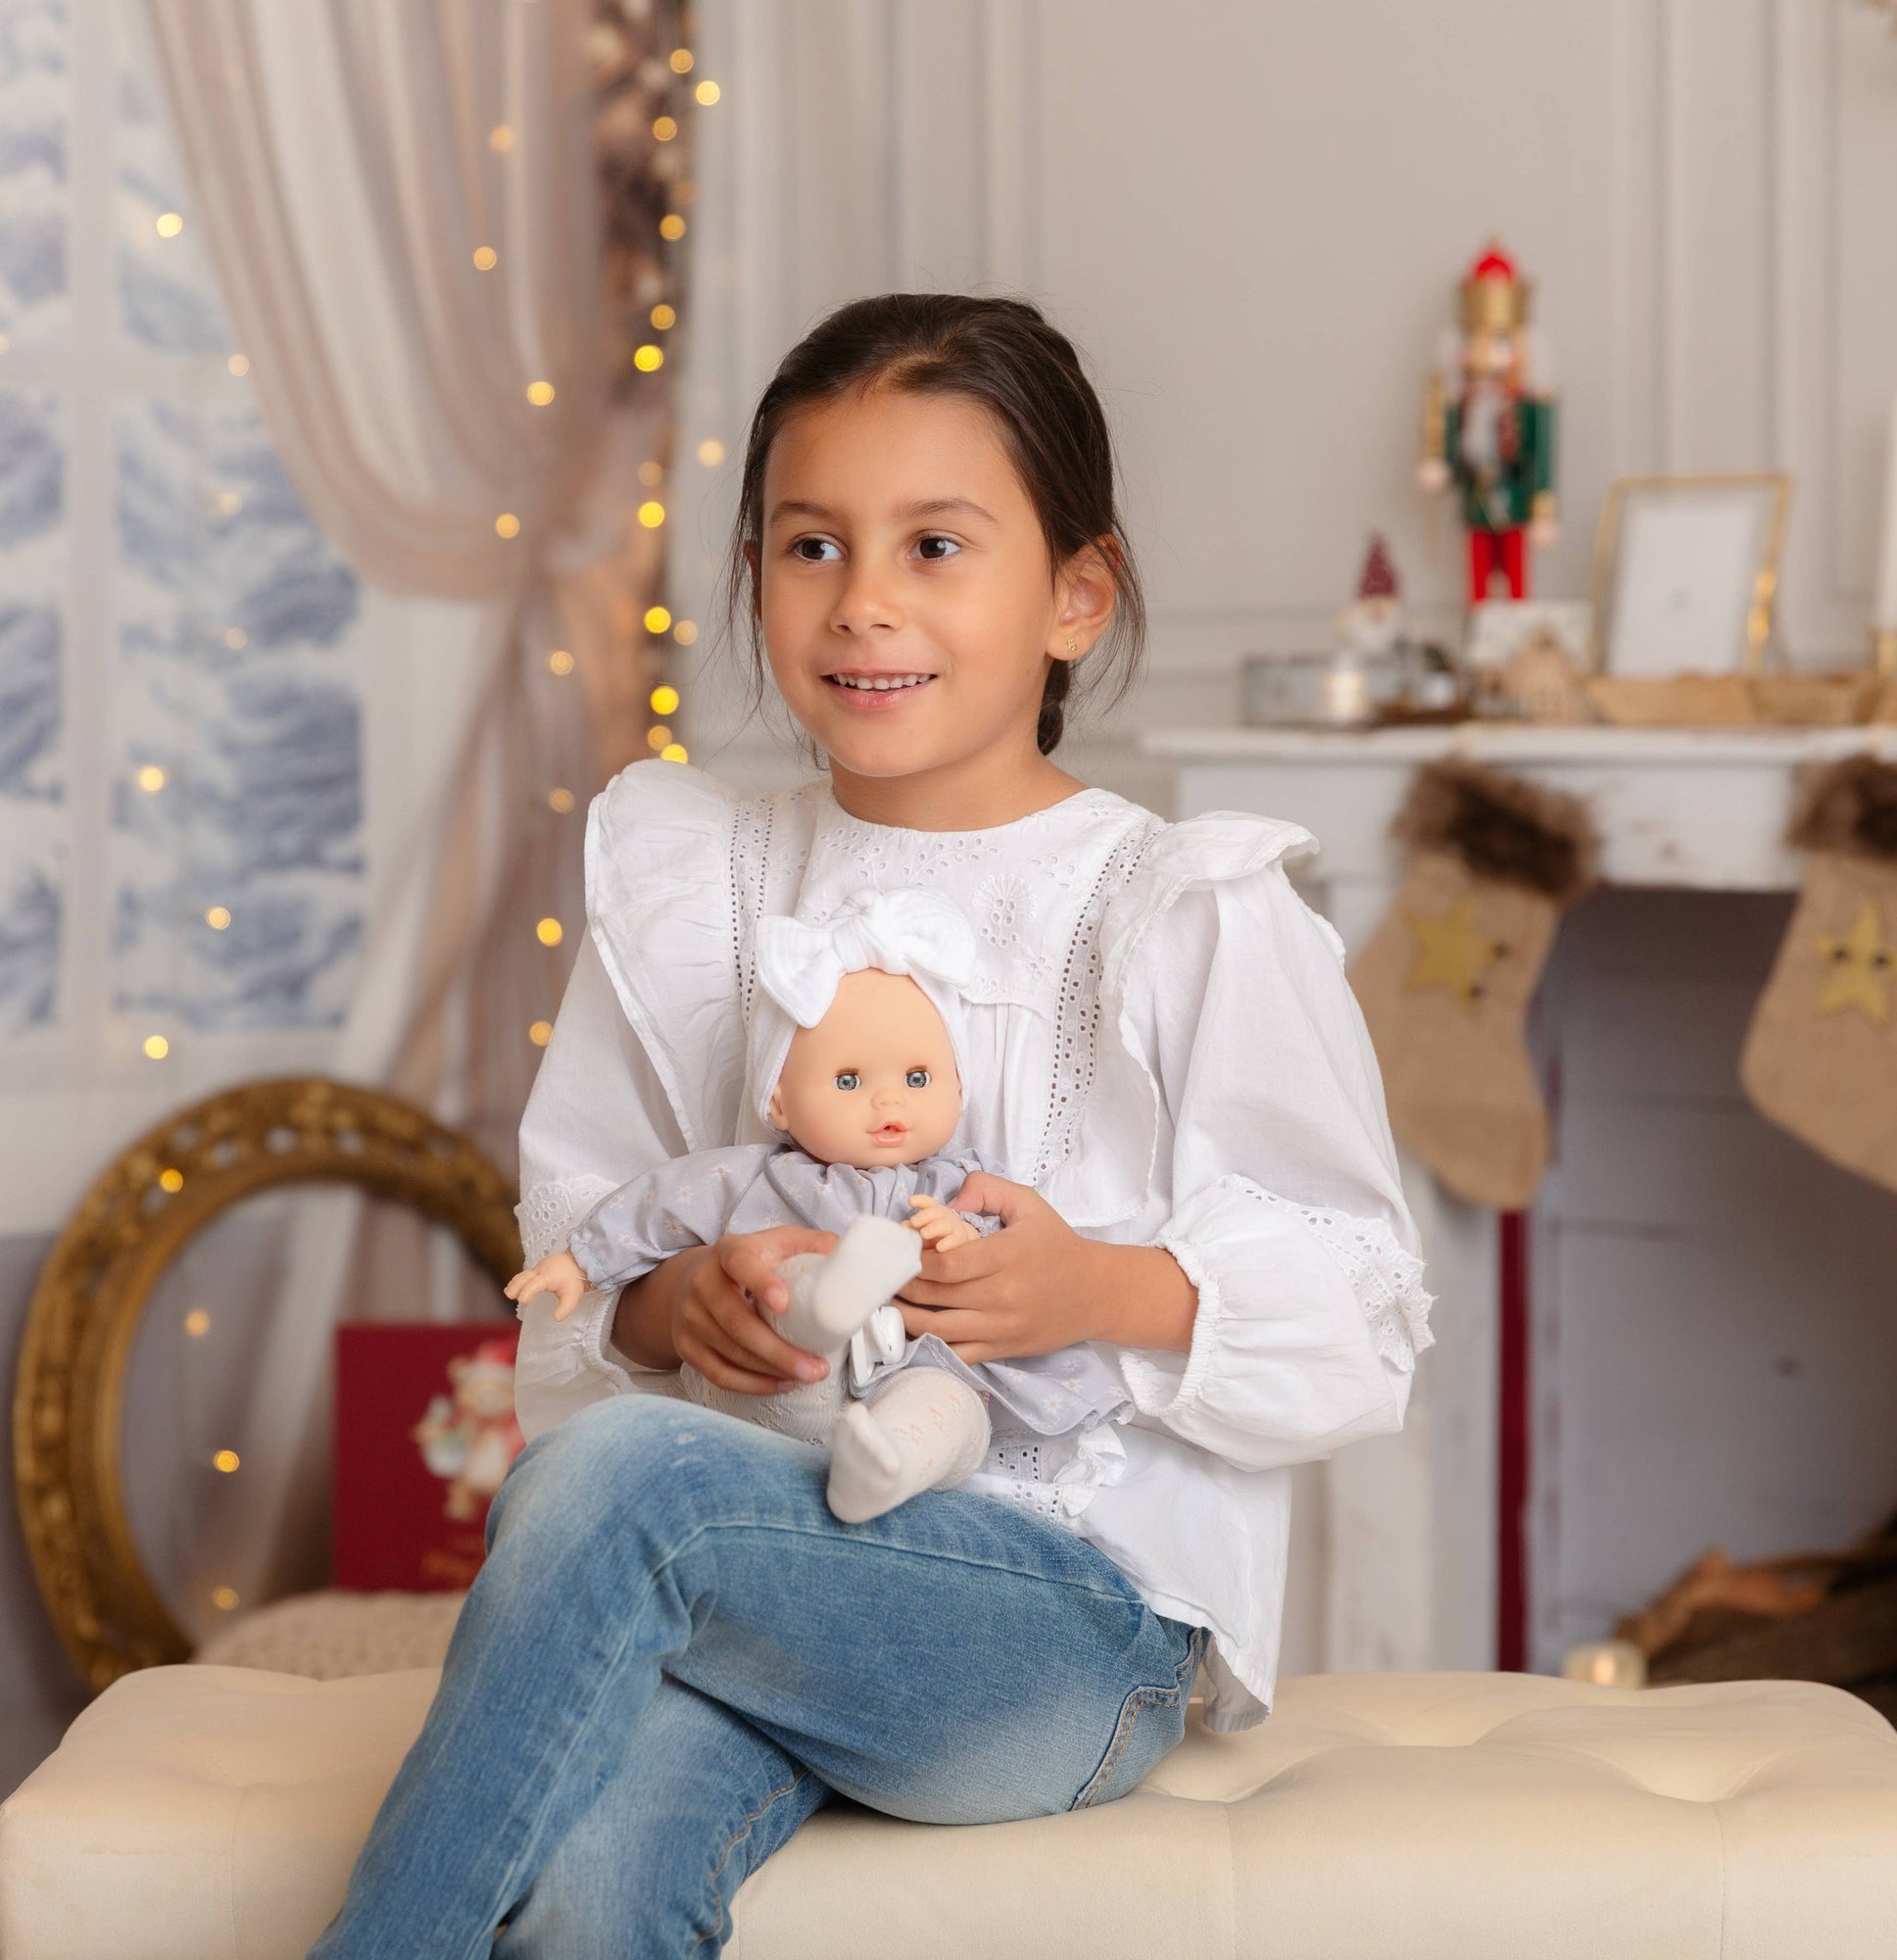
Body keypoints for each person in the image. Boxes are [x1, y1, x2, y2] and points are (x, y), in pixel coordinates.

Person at [307, 292, 1432, 1959]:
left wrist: (1099, 1293)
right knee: (591, 1889)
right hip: (766, 1591)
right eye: (810, 546)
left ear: (1074, 595)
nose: (864, 603)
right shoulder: (702, 878)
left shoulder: (1183, 906)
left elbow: (1367, 1316)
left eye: (936, 546)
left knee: (629, 1488)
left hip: (1069, 1632)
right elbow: (590, 1231)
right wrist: (663, 1305)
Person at [503, 885, 1131, 1525]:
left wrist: (962, 1238)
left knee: (949, 1407)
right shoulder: (761, 1178)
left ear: (958, 1088)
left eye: (916, 1079)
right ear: (777, 1102)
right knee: (785, 1297)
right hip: (788, 1373)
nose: (888, 1103)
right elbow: (659, 1204)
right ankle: (822, 1301)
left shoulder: (955, 1187)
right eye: (850, 1081)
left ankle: (883, 1465)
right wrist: (579, 1261)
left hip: (912, 1356)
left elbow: (1005, 1261)